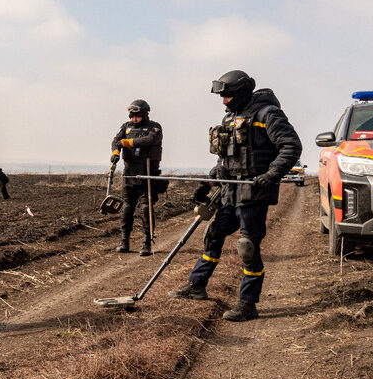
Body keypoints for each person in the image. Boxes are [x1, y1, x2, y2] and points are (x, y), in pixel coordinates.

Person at [169, 70, 301, 321]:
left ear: (241, 92)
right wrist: (208, 183)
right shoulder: (230, 118)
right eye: (222, 96)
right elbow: (225, 160)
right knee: (214, 234)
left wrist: (271, 175)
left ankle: (248, 304)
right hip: (230, 191)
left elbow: (291, 146)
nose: (224, 100)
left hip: (254, 193)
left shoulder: (267, 114)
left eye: (228, 95)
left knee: (247, 247)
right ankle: (197, 285)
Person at [110, 99, 164, 256]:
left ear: (145, 114)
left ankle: (147, 242)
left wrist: (126, 143)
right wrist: (115, 152)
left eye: (137, 116)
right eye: (132, 116)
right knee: (127, 208)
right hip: (129, 174)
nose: (134, 119)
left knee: (146, 208)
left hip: (148, 174)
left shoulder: (155, 127)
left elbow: (149, 140)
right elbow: (115, 141)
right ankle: (124, 241)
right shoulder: (126, 127)